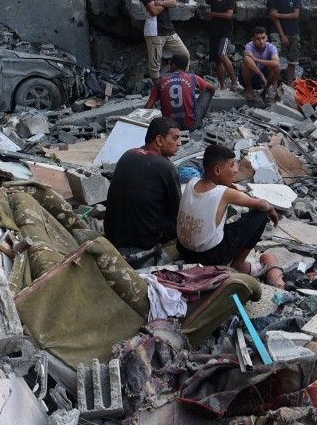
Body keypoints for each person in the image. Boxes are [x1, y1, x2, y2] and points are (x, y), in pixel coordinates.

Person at [178, 144, 282, 274]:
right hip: (210, 257)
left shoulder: (192, 182)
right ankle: (238, 264)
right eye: (232, 165)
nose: (235, 170)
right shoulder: (224, 193)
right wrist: (271, 209)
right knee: (260, 216)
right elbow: (261, 204)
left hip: (183, 250)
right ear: (217, 170)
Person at [102, 117, 183, 251]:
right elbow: (177, 209)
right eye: (175, 139)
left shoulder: (127, 154)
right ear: (159, 140)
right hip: (143, 240)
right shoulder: (166, 167)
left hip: (113, 234)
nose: (179, 143)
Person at [137, 0, 190, 82]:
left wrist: (159, 2)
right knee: (155, 66)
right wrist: (166, 3)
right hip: (154, 31)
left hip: (169, 29)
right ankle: (157, 92)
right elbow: (153, 11)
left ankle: (180, 82)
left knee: (184, 55)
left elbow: (174, 2)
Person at [147, 54, 217, 130]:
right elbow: (212, 88)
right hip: (191, 125)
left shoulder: (161, 81)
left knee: (157, 104)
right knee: (208, 91)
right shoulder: (192, 77)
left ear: (173, 65)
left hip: (169, 128)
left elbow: (147, 106)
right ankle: (203, 118)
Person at [202, 0, 240, 90]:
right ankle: (223, 86)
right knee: (218, 61)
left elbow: (229, 15)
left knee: (222, 55)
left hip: (225, 32)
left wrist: (214, 14)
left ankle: (234, 82)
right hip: (214, 32)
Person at [266, 0, 302, 82]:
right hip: (277, 31)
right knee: (275, 59)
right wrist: (282, 35)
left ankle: (290, 85)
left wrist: (279, 15)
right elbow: (273, 16)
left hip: (293, 31)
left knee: (293, 60)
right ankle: (274, 86)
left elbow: (296, 15)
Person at [240, 26, 281, 101]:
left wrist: (256, 59)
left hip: (265, 78)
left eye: (263, 38)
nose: (261, 41)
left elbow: (276, 63)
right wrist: (260, 74)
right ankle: (249, 89)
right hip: (252, 76)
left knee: (277, 67)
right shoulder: (249, 46)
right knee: (246, 64)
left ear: (267, 38)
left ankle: (266, 89)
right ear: (253, 40)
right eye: (258, 39)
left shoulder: (271, 47)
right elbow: (247, 59)